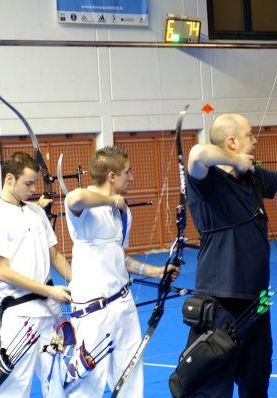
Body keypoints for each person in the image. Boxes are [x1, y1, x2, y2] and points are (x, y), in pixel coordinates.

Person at [185, 114, 277, 397]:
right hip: (220, 303)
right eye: (249, 135)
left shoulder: (252, 177)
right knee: (214, 389)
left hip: (257, 304)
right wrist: (234, 161)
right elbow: (197, 153)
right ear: (231, 141)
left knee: (256, 384)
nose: (255, 140)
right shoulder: (206, 180)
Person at [64, 146, 179, 398]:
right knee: (86, 385)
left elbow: (120, 256)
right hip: (93, 310)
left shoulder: (123, 212)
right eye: (128, 172)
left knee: (131, 379)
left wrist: (155, 271)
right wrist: (109, 200)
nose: (133, 177)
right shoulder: (86, 204)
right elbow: (74, 198)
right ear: (112, 176)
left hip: (123, 305)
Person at [0, 151, 72, 397]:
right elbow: (2, 271)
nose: (33, 189)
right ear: (9, 179)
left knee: (56, 381)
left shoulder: (36, 213)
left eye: (35, 183)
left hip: (48, 312)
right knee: (14, 389)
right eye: (28, 183)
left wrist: (81, 284)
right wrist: (49, 290)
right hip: (19, 316)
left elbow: (55, 257)